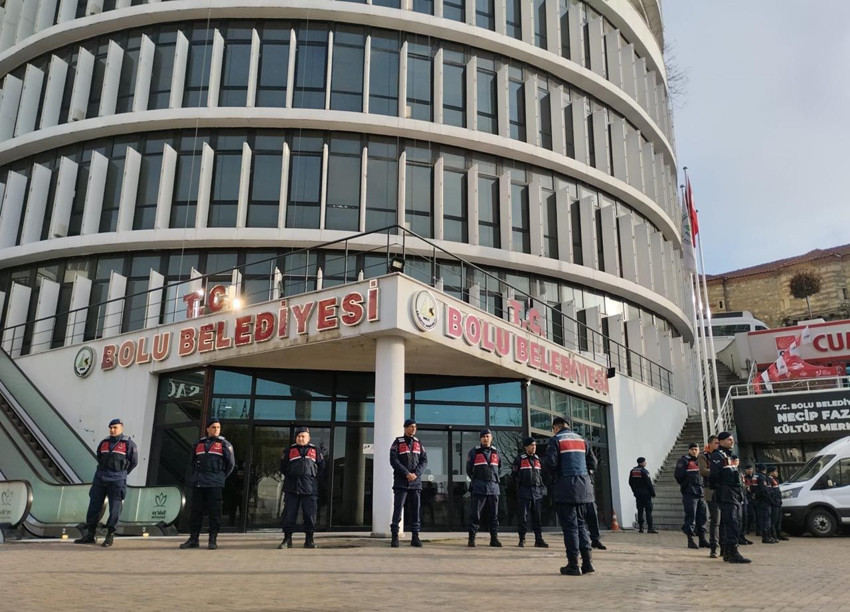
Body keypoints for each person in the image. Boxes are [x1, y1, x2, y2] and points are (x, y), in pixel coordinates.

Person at [545, 417, 597, 576]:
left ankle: (573, 565)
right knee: (582, 525)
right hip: (584, 490)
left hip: (566, 489)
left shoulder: (556, 440)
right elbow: (593, 464)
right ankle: (587, 563)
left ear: (555, 428)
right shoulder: (582, 440)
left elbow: (551, 463)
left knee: (570, 528)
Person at [74, 418, 138, 547]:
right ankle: (90, 535)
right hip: (100, 478)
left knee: (115, 508)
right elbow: (99, 457)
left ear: (122, 428)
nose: (113, 430)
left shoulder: (128, 444)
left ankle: (110, 536)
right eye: (111, 427)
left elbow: (134, 462)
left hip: (117, 479)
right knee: (94, 506)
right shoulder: (104, 442)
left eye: (115, 427)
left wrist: (122, 474)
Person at [180, 417, 235, 550]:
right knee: (195, 512)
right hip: (199, 483)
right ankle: (193, 539)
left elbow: (231, 464)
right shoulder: (199, 444)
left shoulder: (224, 444)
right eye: (213, 427)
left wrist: (220, 477)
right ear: (207, 429)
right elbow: (192, 463)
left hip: (214, 483)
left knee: (214, 513)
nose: (216, 430)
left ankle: (212, 539)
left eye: (218, 427)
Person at [278, 426, 325, 549]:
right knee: (289, 515)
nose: (301, 438)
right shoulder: (289, 450)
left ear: (308, 438)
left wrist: (312, 479)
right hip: (291, 488)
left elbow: (321, 467)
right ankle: (287, 539)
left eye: (303, 436)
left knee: (310, 515)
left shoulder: (316, 450)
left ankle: (309, 540)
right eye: (298, 436)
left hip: (309, 488)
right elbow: (283, 467)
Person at [709, 432, 750, 563]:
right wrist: (721, 489)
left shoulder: (730, 456)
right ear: (720, 441)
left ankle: (728, 552)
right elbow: (715, 475)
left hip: (735, 492)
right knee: (731, 521)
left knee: (737, 521)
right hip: (727, 492)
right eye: (728, 440)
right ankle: (732, 552)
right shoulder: (717, 455)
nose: (731, 442)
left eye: (732, 440)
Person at [389, 418, 428, 548]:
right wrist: (406, 473)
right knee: (398, 510)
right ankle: (395, 537)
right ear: (405, 428)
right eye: (411, 427)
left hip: (415, 484)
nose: (413, 429)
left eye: (415, 427)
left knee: (415, 511)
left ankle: (415, 537)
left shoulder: (419, 443)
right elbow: (394, 460)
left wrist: (415, 474)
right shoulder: (397, 442)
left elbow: (424, 461)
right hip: (401, 483)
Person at [466, 428, 502, 547]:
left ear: (491, 438)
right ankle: (472, 538)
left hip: (493, 488)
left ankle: (494, 539)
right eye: (483, 436)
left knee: (494, 515)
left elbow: (499, 468)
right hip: (479, 488)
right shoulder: (474, 452)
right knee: (475, 514)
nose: (486, 438)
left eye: (488, 436)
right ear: (480, 438)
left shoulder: (497, 452)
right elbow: (469, 469)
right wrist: (476, 481)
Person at [511, 437, 548, 548]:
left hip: (537, 492)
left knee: (537, 517)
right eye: (532, 445)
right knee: (523, 517)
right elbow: (514, 476)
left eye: (535, 445)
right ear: (526, 447)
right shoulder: (519, 460)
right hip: (524, 491)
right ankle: (522, 539)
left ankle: (538, 539)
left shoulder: (538, 460)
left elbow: (544, 475)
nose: (534, 447)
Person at [674, 442, 709, 549]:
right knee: (691, 517)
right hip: (690, 493)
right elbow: (678, 476)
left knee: (703, 517)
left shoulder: (701, 460)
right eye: (693, 449)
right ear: (689, 450)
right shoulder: (684, 460)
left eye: (696, 449)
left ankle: (702, 539)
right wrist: (686, 486)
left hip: (700, 492)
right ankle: (690, 540)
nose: (695, 451)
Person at [698, 435, 721, 558]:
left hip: (724, 490)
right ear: (710, 444)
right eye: (716, 443)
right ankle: (714, 547)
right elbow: (703, 471)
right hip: (710, 490)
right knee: (715, 519)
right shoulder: (704, 455)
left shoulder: (722, 455)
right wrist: (718, 472)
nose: (718, 445)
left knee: (725, 519)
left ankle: (725, 546)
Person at [628, 457, 657, 533]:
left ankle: (641, 528)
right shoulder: (644, 471)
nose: (645, 463)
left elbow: (630, 482)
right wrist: (652, 493)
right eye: (645, 462)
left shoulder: (633, 471)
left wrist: (634, 491)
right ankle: (650, 528)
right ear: (642, 462)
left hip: (638, 494)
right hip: (646, 494)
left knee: (640, 510)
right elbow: (649, 484)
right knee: (648, 511)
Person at [752, 463, 776, 544]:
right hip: (764, 500)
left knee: (764, 519)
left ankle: (767, 536)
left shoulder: (755, 476)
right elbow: (764, 489)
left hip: (760, 500)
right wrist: (770, 499)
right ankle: (766, 537)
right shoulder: (762, 477)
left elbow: (754, 488)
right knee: (766, 520)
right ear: (764, 469)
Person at [767, 465, 788, 541]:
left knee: (779, 519)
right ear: (771, 472)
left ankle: (779, 534)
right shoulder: (769, 480)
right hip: (774, 503)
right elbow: (770, 492)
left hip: (778, 502)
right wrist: (773, 501)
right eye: (775, 471)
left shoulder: (775, 480)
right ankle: (773, 535)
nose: (777, 473)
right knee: (774, 520)